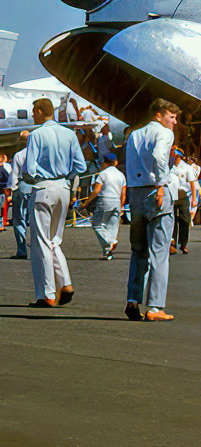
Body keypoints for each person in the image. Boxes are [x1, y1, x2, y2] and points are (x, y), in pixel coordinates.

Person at [22, 97, 87, 307]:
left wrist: (29, 179)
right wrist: (67, 177)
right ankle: (65, 283)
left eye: (34, 111)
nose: (33, 115)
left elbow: (29, 169)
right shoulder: (69, 134)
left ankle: (47, 293)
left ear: (40, 111)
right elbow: (81, 166)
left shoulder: (36, 135)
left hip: (43, 187)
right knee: (54, 240)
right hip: (63, 187)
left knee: (40, 242)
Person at [124, 99, 180, 321]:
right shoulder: (164, 134)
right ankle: (155, 307)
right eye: (171, 117)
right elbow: (158, 156)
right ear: (159, 115)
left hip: (135, 193)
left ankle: (132, 300)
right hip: (155, 191)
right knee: (160, 251)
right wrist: (161, 184)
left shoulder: (135, 134)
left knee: (138, 250)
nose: (174, 122)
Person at [81, 151, 127, 260]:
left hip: (105, 200)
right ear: (115, 163)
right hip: (116, 201)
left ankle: (109, 243)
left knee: (97, 223)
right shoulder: (121, 175)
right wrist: (121, 206)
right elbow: (123, 193)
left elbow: (96, 191)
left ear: (105, 163)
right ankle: (107, 253)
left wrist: (85, 203)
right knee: (112, 226)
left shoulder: (103, 174)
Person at [10, 131, 30, 259]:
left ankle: (22, 250)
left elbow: (14, 176)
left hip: (23, 186)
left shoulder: (19, 154)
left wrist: (11, 189)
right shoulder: (40, 154)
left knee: (19, 219)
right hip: (38, 186)